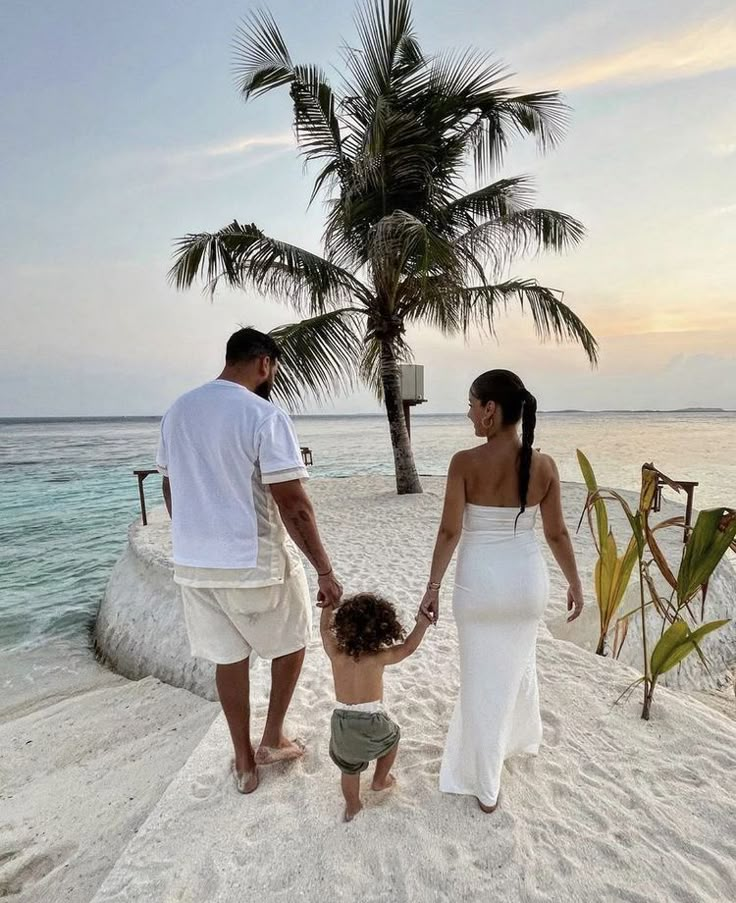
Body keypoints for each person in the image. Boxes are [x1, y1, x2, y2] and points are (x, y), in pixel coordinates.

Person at [156, 327, 342, 795]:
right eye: (272, 370)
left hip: (196, 566)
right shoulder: (263, 415)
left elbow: (169, 485)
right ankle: (272, 736)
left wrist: (198, 535)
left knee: (228, 658)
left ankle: (243, 760)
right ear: (264, 363)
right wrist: (324, 569)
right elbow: (293, 502)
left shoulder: (178, 411)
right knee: (292, 641)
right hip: (253, 562)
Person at [419, 369, 584, 813]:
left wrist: (432, 587)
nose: (469, 413)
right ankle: (516, 741)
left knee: (480, 681)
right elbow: (558, 535)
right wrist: (574, 582)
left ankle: (486, 782)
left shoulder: (464, 463)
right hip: (526, 586)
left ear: (490, 410)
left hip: (479, 587)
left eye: (472, 404)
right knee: (514, 667)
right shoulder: (545, 466)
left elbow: (450, 530)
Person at [320, 592, 431, 822]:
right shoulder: (379, 657)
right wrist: (422, 623)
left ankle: (352, 805)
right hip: (371, 721)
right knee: (393, 738)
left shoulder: (337, 655)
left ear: (344, 626)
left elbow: (324, 631)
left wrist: (328, 607)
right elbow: (408, 647)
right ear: (383, 628)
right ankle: (380, 780)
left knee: (349, 768)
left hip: (342, 722)